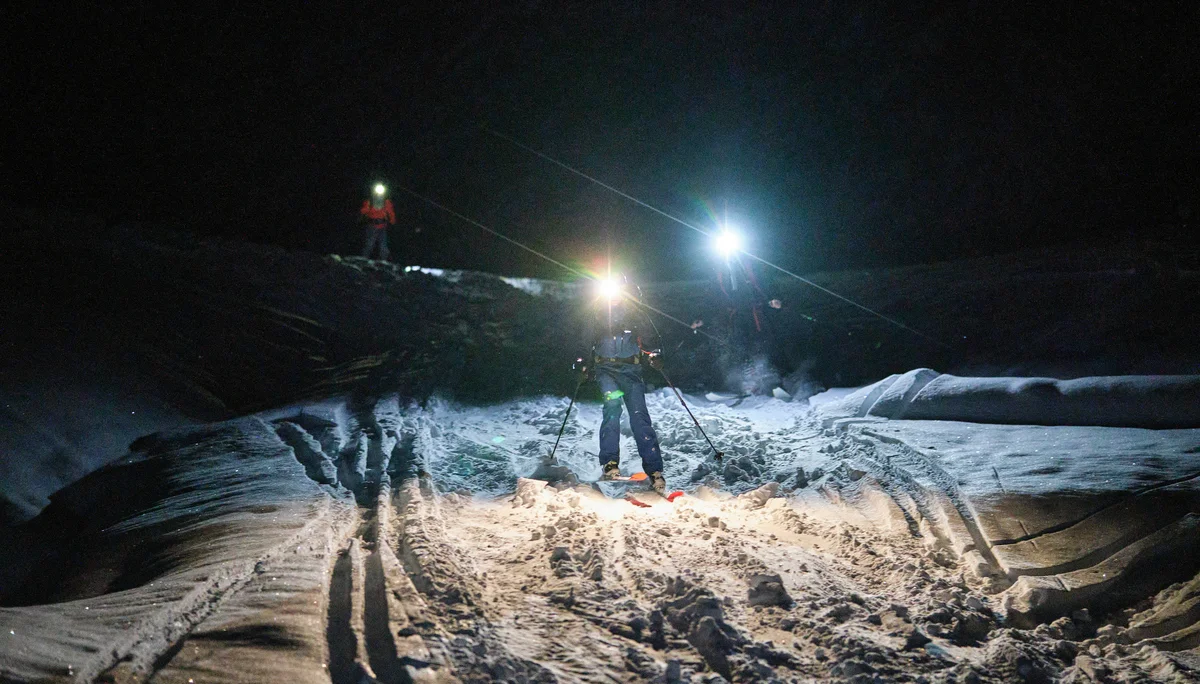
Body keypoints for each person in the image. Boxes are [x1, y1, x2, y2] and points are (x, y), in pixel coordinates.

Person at [576, 276, 668, 496]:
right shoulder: (597, 313)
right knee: (612, 406)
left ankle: (654, 470)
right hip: (606, 370)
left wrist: (655, 355)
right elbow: (584, 341)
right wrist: (581, 364)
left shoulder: (636, 314)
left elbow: (651, 341)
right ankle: (610, 463)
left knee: (639, 416)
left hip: (631, 371)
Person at [360, 183, 395, 260]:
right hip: (371, 227)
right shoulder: (369, 202)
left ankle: (384, 262)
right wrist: (367, 207)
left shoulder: (387, 202)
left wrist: (393, 222)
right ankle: (363, 260)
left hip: (382, 227)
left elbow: (391, 213)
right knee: (369, 245)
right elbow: (363, 211)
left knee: (383, 247)